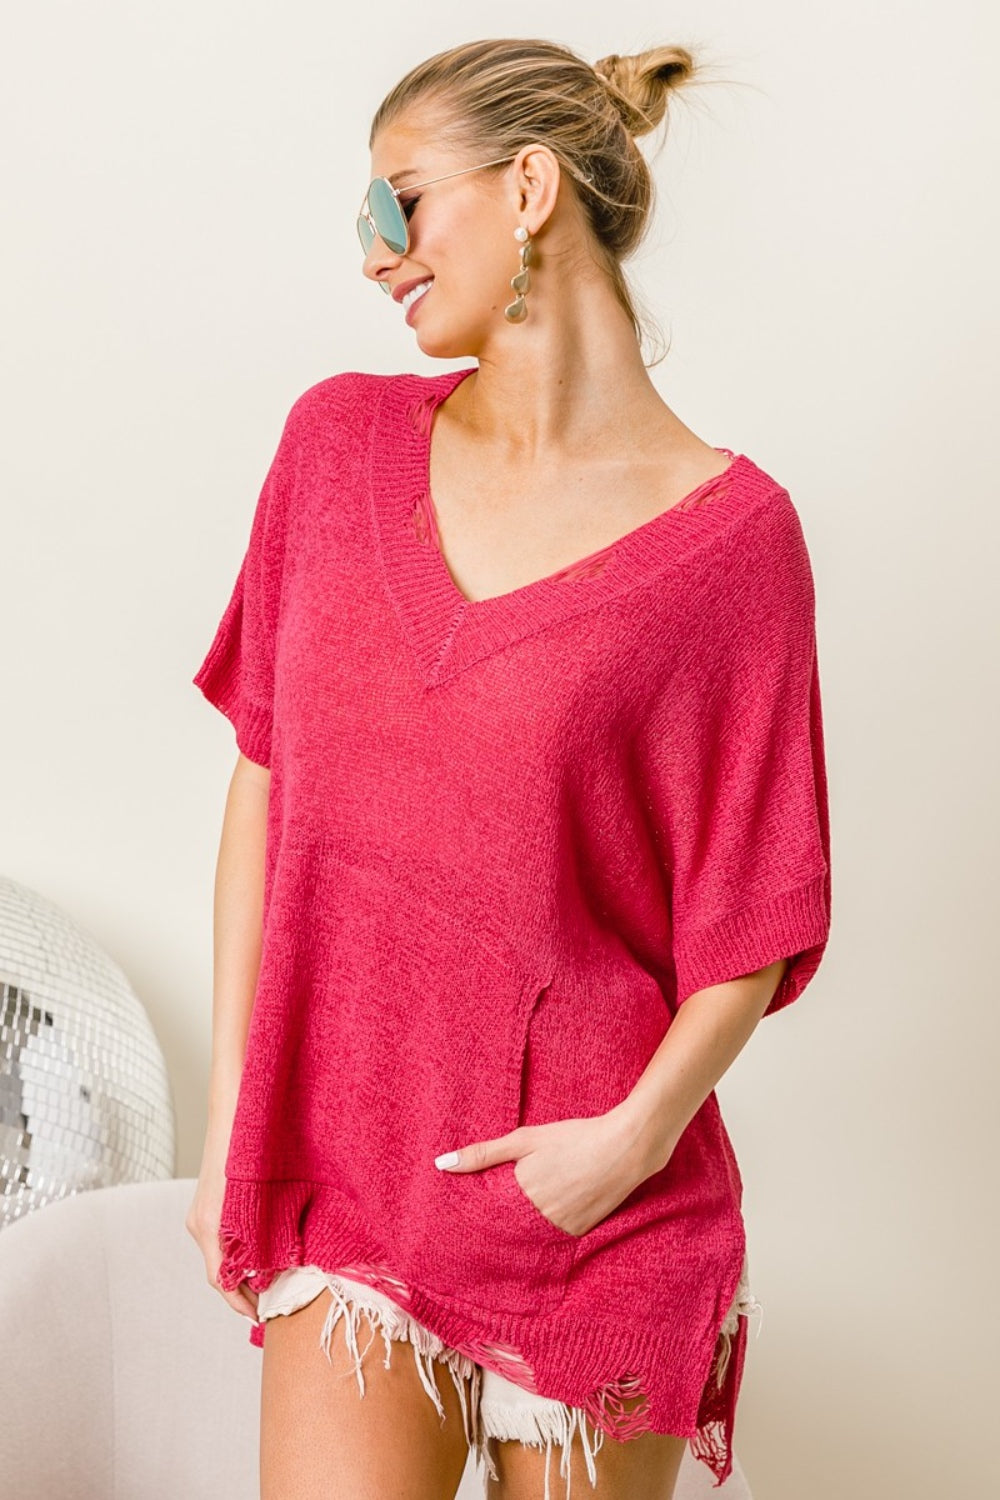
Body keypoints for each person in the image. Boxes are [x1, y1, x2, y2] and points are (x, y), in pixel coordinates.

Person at [186, 36, 832, 1500]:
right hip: (347, 1189)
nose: (373, 256)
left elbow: (756, 905)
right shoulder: (332, 450)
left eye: (398, 203)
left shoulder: (733, 548)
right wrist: (236, 1110)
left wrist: (630, 1140)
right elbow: (264, 778)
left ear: (529, 186)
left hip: (598, 1219)